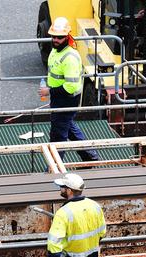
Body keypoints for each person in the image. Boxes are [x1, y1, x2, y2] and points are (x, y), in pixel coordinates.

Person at [38, 17, 99, 162]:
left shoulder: (70, 57)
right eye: (54, 36)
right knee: (68, 126)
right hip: (60, 97)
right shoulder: (56, 50)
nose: (56, 40)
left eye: (60, 37)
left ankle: (54, 167)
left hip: (66, 98)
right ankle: (90, 155)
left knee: (58, 135)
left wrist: (49, 91)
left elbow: (70, 86)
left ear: (67, 36)